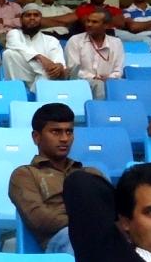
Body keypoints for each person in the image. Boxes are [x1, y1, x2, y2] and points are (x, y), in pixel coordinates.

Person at [9, 103, 101, 254]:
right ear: (36, 137)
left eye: (69, 132)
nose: (65, 138)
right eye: (56, 132)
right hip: (63, 240)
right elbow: (40, 219)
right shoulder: (25, 175)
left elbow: (114, 210)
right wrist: (90, 219)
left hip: (100, 235)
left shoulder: (91, 173)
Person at [2, 3, 66, 91]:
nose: (32, 18)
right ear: (21, 19)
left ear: (41, 19)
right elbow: (16, 45)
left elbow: (58, 64)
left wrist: (58, 67)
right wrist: (40, 58)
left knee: (47, 73)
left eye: (36, 15)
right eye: (28, 15)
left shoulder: (51, 40)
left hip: (44, 80)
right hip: (19, 77)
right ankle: (16, 91)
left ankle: (36, 90)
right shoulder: (14, 34)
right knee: (8, 54)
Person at [64, 7, 124, 99]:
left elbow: (118, 70)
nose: (89, 24)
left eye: (94, 22)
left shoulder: (116, 43)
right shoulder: (75, 40)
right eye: (88, 21)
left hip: (110, 82)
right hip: (81, 83)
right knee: (99, 84)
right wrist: (94, 78)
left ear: (106, 25)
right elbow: (73, 69)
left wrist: (109, 79)